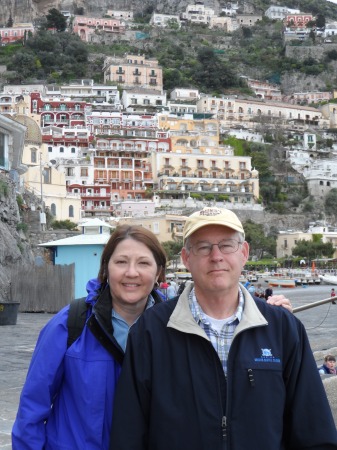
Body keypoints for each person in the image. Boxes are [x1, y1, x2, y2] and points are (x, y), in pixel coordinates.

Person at [111, 207, 337, 450]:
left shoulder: (284, 329)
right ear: (187, 258)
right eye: (203, 246)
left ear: (244, 252)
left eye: (227, 245)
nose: (216, 256)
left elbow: (315, 431)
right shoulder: (151, 331)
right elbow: (129, 433)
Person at [12, 225, 167, 450]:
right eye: (121, 262)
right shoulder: (69, 324)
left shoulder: (174, 329)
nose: (131, 272)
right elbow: (32, 408)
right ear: (106, 267)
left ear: (159, 271)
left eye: (143, 263)